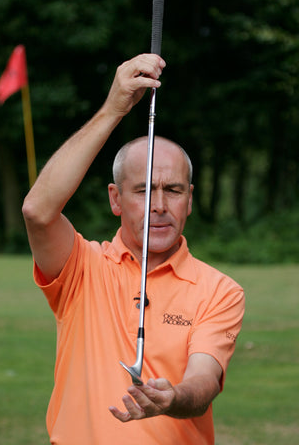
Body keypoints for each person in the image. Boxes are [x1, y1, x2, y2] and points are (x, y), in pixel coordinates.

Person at [22, 54, 245, 445]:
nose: (159, 205)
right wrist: (114, 109)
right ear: (116, 198)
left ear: (189, 200)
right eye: (143, 190)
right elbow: (38, 212)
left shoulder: (219, 290)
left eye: (173, 190)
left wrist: (173, 397)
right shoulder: (81, 267)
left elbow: (203, 382)